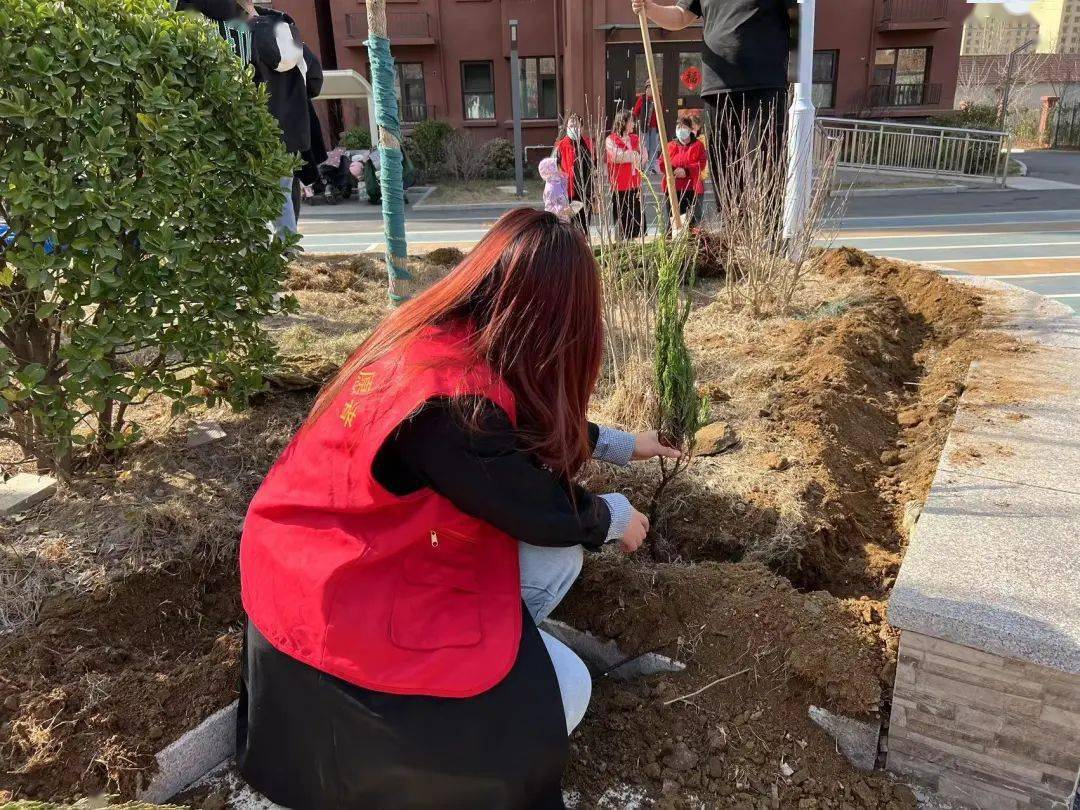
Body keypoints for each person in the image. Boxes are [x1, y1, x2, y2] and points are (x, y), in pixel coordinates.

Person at [236, 208, 681, 809]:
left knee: (554, 564)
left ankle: (502, 647)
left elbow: (515, 427)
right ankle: (456, 726)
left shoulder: (436, 338)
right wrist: (613, 518)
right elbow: (537, 505)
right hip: (336, 603)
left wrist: (622, 446)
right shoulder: (448, 409)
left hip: (332, 551)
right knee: (566, 690)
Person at [176, 0, 325, 235]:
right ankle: (285, 254)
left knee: (238, 200)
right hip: (289, 135)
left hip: (239, 130)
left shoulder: (215, 30)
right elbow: (315, 80)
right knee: (283, 194)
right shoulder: (283, 26)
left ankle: (252, 257)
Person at [631, 0, 794, 213]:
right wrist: (650, 8)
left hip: (764, 86)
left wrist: (797, 79)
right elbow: (680, 16)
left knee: (765, 168)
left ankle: (765, 237)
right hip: (717, 88)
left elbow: (797, 15)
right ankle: (734, 231)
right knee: (725, 172)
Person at [605, 110, 646, 240]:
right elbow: (616, 157)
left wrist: (631, 156)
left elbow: (644, 157)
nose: (633, 124)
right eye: (631, 121)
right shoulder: (611, 139)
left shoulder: (635, 138)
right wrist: (634, 155)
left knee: (638, 217)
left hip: (635, 184)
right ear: (623, 122)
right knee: (622, 218)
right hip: (620, 186)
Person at [661, 115, 708, 228]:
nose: (681, 129)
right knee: (673, 221)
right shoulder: (670, 146)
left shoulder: (698, 145)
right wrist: (673, 171)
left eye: (684, 126)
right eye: (679, 127)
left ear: (690, 129)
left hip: (690, 188)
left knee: (691, 221)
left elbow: (701, 163)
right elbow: (662, 162)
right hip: (673, 188)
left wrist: (686, 171)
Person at [554, 113, 595, 232]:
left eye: (576, 125)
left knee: (583, 225)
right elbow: (554, 167)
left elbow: (593, 166)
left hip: (585, 191)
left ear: (581, 128)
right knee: (569, 226)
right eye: (570, 125)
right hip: (568, 192)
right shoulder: (561, 145)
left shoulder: (588, 144)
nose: (573, 128)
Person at [631, 80, 661, 173]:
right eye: (648, 88)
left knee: (653, 147)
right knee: (644, 147)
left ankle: (651, 167)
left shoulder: (658, 98)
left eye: (652, 88)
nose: (650, 90)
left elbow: (661, 111)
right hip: (644, 127)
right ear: (646, 89)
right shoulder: (642, 99)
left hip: (654, 127)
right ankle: (642, 166)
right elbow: (635, 112)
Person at [538, 156, 578, 223]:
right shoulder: (552, 188)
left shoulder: (558, 183)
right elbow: (549, 208)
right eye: (559, 167)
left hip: (563, 220)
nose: (562, 168)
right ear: (552, 170)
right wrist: (565, 210)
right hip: (557, 222)